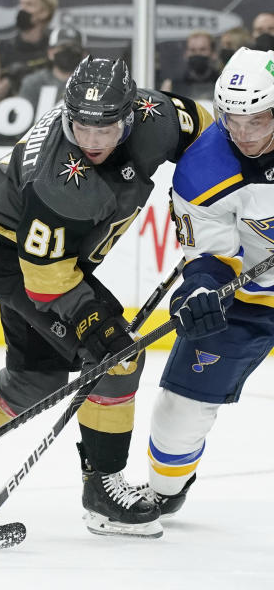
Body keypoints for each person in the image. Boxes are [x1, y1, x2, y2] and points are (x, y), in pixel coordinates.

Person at [0, 56, 211, 538]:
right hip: (12, 256)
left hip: (52, 251)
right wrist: (93, 325)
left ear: (130, 114)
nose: (92, 140)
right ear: (66, 115)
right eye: (80, 126)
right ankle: (103, 491)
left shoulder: (156, 115)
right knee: (117, 355)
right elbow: (44, 279)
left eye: (105, 127)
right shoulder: (58, 182)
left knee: (34, 381)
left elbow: (211, 138)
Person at [143, 47, 274, 521]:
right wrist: (200, 288)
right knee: (179, 410)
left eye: (255, 121)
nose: (241, 133)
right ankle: (163, 491)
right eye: (230, 119)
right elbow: (212, 255)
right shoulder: (203, 167)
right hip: (249, 299)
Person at [0, 0, 57, 100]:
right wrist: (10, 80)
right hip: (7, 114)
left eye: (29, 5)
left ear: (44, 13)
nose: (22, 9)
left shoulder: (55, 48)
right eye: (21, 3)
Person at [17, 25, 84, 112]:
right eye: (63, 47)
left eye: (74, 48)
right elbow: (22, 119)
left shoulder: (90, 86)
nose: (68, 51)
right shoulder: (33, 83)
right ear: (50, 53)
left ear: (83, 54)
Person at [161, 31, 220, 101]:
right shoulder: (171, 84)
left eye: (203, 50)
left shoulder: (221, 82)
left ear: (214, 54)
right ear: (186, 54)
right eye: (192, 50)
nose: (197, 54)